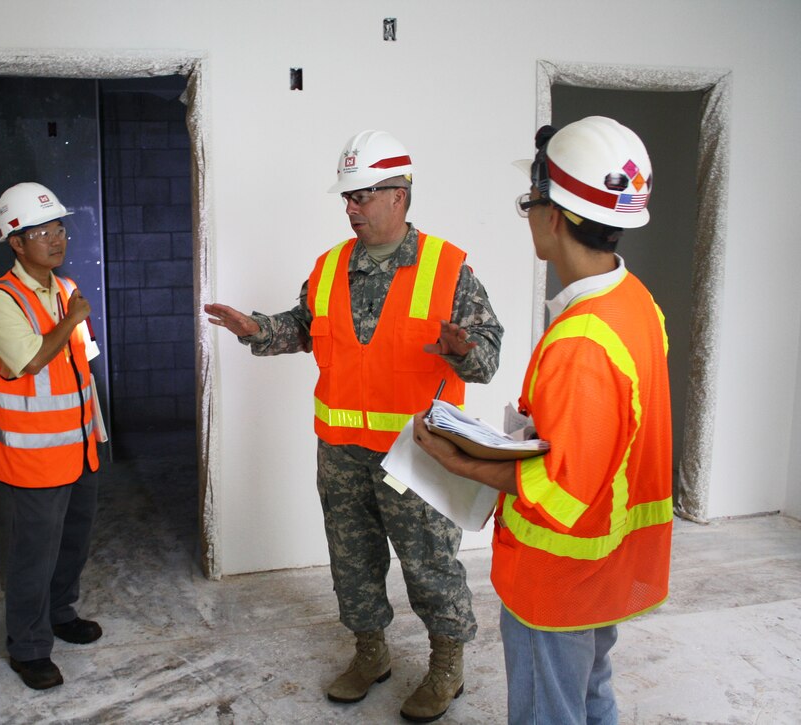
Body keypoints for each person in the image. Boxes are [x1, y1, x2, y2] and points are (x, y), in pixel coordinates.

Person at [206, 130, 503, 722]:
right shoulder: (328, 266)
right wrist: (253, 329)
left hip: (418, 451)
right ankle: (370, 655)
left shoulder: (449, 268)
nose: (350, 208)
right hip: (342, 451)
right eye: (346, 197)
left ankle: (447, 665)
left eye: (362, 196)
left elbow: (487, 358)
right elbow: (301, 327)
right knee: (352, 562)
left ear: (399, 195)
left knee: (430, 564)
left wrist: (463, 349)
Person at [412, 116, 673, 724]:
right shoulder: (635, 303)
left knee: (548, 711)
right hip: (604, 568)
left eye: (531, 201)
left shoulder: (583, 341)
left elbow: (560, 491)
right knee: (590, 695)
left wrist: (458, 460)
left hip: (556, 580)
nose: (529, 215)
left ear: (554, 215)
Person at [0, 182, 104, 690]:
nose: (55, 238)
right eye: (41, 231)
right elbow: (29, 360)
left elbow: (81, 363)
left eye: (59, 228)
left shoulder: (65, 289)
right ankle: (27, 648)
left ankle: (60, 613)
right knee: (32, 554)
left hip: (82, 446)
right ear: (15, 240)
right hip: (32, 458)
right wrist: (70, 320)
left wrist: (96, 433)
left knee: (73, 543)